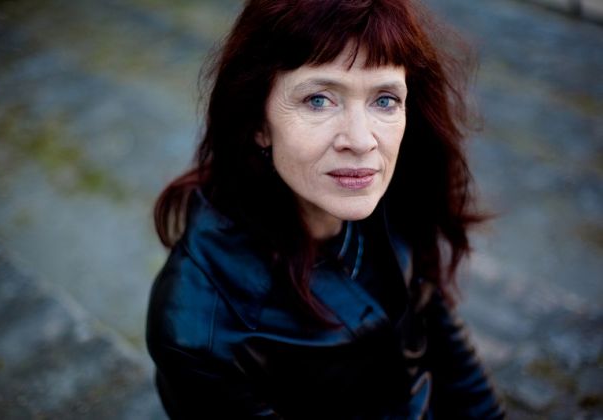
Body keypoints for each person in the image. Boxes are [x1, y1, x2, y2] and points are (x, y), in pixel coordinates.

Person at [146, 0, 505, 418]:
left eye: (385, 100)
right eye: (318, 100)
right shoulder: (198, 331)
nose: (362, 141)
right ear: (258, 122)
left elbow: (445, 345)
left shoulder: (396, 192)